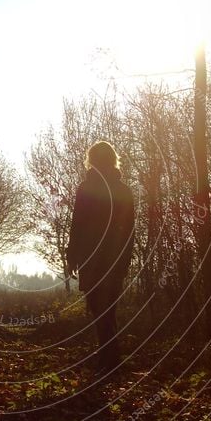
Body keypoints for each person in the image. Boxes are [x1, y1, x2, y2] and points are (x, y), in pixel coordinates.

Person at [66, 140, 135, 376]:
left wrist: (72, 257)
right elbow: (129, 231)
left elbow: (77, 226)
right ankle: (109, 356)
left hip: (93, 258)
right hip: (114, 259)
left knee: (99, 308)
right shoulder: (123, 190)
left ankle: (110, 358)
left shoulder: (86, 188)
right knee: (107, 309)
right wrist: (125, 260)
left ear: (92, 160)